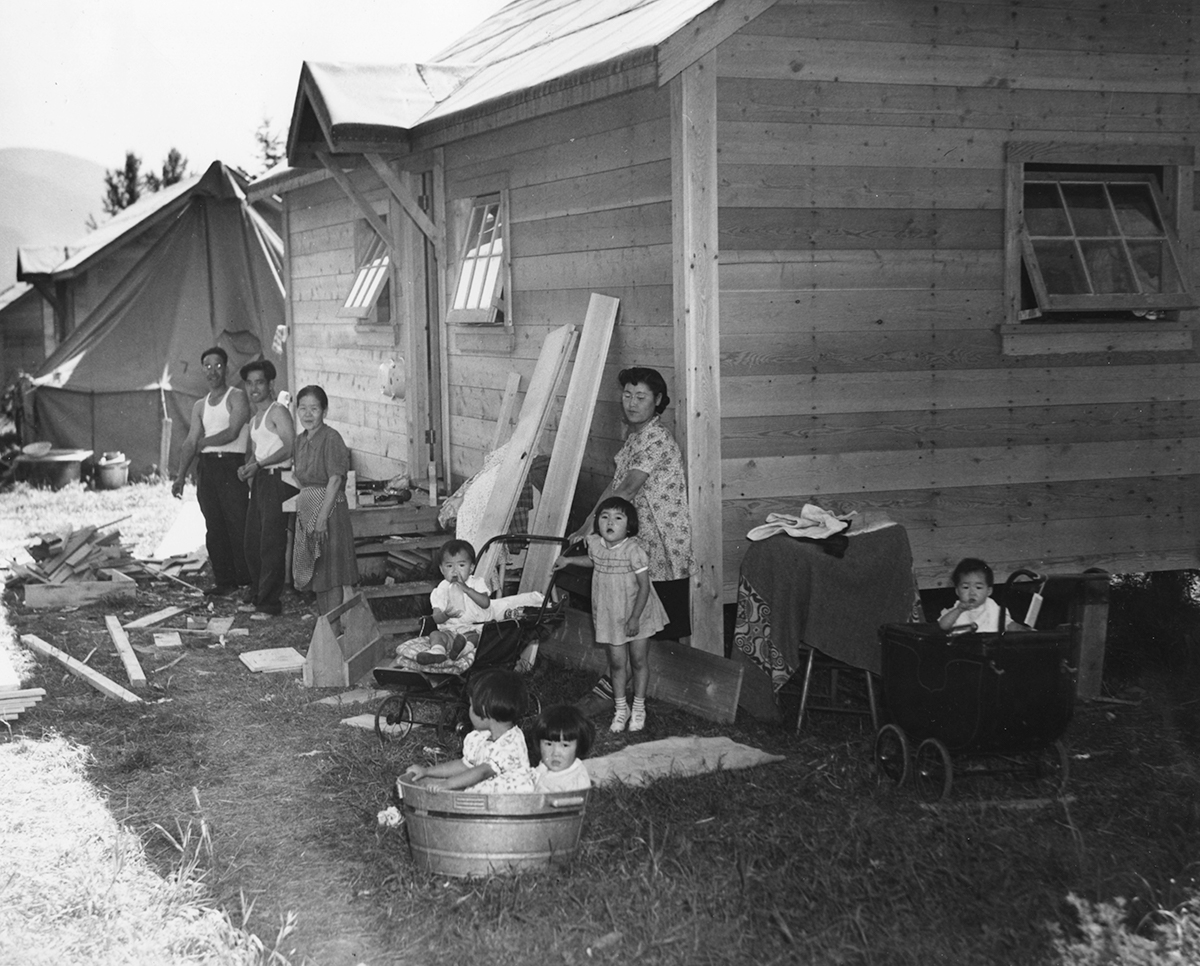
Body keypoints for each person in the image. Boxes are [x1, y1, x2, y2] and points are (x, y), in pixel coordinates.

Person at [568, 367, 693, 714]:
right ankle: (621, 687)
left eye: (641, 397)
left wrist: (594, 528)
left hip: (661, 541)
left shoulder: (657, 439)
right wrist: (584, 525)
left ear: (657, 402)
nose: (632, 402)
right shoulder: (633, 437)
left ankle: (623, 690)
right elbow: (613, 487)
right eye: (627, 395)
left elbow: (627, 490)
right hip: (636, 536)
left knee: (637, 613)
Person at [555, 496, 668, 733]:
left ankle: (638, 706)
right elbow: (595, 561)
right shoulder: (596, 544)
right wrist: (568, 561)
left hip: (637, 610)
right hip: (611, 611)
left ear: (629, 525)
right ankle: (620, 708)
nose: (610, 522)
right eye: (604, 516)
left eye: (618, 518)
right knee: (617, 664)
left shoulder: (634, 551)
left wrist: (635, 618)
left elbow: (645, 587)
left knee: (637, 660)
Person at [172, 346, 252, 597]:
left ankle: (247, 581)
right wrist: (180, 476)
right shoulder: (199, 405)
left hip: (231, 466)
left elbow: (233, 431)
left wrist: (204, 443)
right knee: (214, 525)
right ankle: (225, 581)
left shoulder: (236, 397)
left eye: (218, 365)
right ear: (202, 369)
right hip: (207, 470)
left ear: (226, 368)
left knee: (238, 522)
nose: (213, 371)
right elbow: (190, 442)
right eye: (207, 366)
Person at [401, 668, 534, 793]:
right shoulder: (482, 737)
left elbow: (481, 772)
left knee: (444, 789)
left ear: (483, 710)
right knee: (429, 784)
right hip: (484, 798)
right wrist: (427, 771)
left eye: (471, 705)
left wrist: (447, 784)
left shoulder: (510, 744)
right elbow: (464, 766)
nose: (468, 709)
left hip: (508, 806)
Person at [291, 385, 358, 618]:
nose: (308, 414)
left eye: (314, 408)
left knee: (332, 575)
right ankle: (326, 629)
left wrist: (321, 518)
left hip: (329, 514)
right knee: (318, 573)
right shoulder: (299, 440)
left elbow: (335, 479)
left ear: (325, 411)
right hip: (310, 513)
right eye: (302, 408)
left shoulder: (331, 438)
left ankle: (335, 628)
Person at [236, 360, 295, 619]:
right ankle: (258, 594)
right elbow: (260, 452)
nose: (253, 388)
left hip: (278, 480)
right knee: (252, 541)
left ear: (270, 384)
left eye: (259, 382)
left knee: (271, 542)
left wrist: (259, 464)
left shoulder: (277, 411)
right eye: (249, 383)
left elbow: (290, 447)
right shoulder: (255, 418)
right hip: (261, 480)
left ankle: (270, 604)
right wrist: (248, 466)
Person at [416, 539, 493, 666]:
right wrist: (446, 614)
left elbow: (485, 603)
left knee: (477, 637)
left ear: (471, 568)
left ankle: (462, 650)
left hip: (474, 629)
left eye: (461, 565)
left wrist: (467, 590)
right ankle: (438, 652)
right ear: (442, 569)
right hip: (451, 632)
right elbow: (436, 618)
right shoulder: (441, 589)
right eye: (449, 566)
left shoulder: (476, 583)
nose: (455, 571)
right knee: (435, 634)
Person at [530, 704, 594, 792]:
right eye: (548, 744)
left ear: (579, 746)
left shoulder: (576, 780)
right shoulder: (543, 767)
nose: (555, 753)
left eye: (565, 745)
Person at [938, 558, 1008, 633]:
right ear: (957, 591)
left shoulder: (994, 609)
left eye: (978, 587)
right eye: (965, 587)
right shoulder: (955, 610)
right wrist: (958, 610)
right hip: (963, 643)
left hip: (990, 642)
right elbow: (943, 626)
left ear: (989, 591)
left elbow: (1009, 624)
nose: (972, 593)